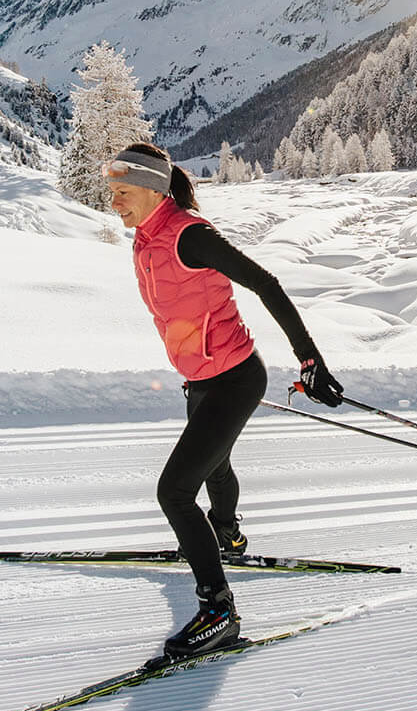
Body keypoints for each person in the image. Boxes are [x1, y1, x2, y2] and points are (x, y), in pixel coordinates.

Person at [105, 140, 344, 661]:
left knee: (174, 492)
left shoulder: (191, 236)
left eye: (122, 192)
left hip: (236, 378)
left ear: (150, 190)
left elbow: (265, 283)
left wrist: (310, 360)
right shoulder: (146, 237)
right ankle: (228, 538)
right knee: (215, 467)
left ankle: (219, 613)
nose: (114, 201)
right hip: (201, 377)